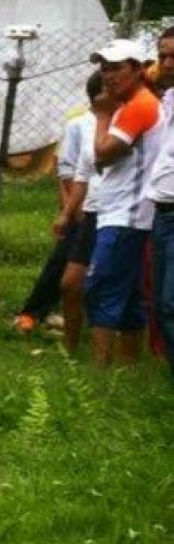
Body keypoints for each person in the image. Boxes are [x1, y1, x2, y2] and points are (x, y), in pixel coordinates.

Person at [84, 39, 162, 369]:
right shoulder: (129, 105)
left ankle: (99, 370)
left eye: (116, 68)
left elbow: (101, 154)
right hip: (123, 211)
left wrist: (102, 116)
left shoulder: (137, 106)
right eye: (103, 68)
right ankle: (128, 366)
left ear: (139, 69)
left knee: (100, 287)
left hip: (126, 214)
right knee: (128, 293)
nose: (107, 76)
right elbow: (102, 161)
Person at [14, 73, 103, 346]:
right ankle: (32, 312)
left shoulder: (125, 121)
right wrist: (68, 208)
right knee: (63, 263)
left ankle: (87, 320)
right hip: (82, 206)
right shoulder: (79, 124)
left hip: (112, 206)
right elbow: (67, 169)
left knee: (95, 267)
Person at [147, 28, 174, 379]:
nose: (167, 63)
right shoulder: (167, 100)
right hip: (162, 210)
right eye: (163, 55)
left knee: (170, 303)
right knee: (161, 305)